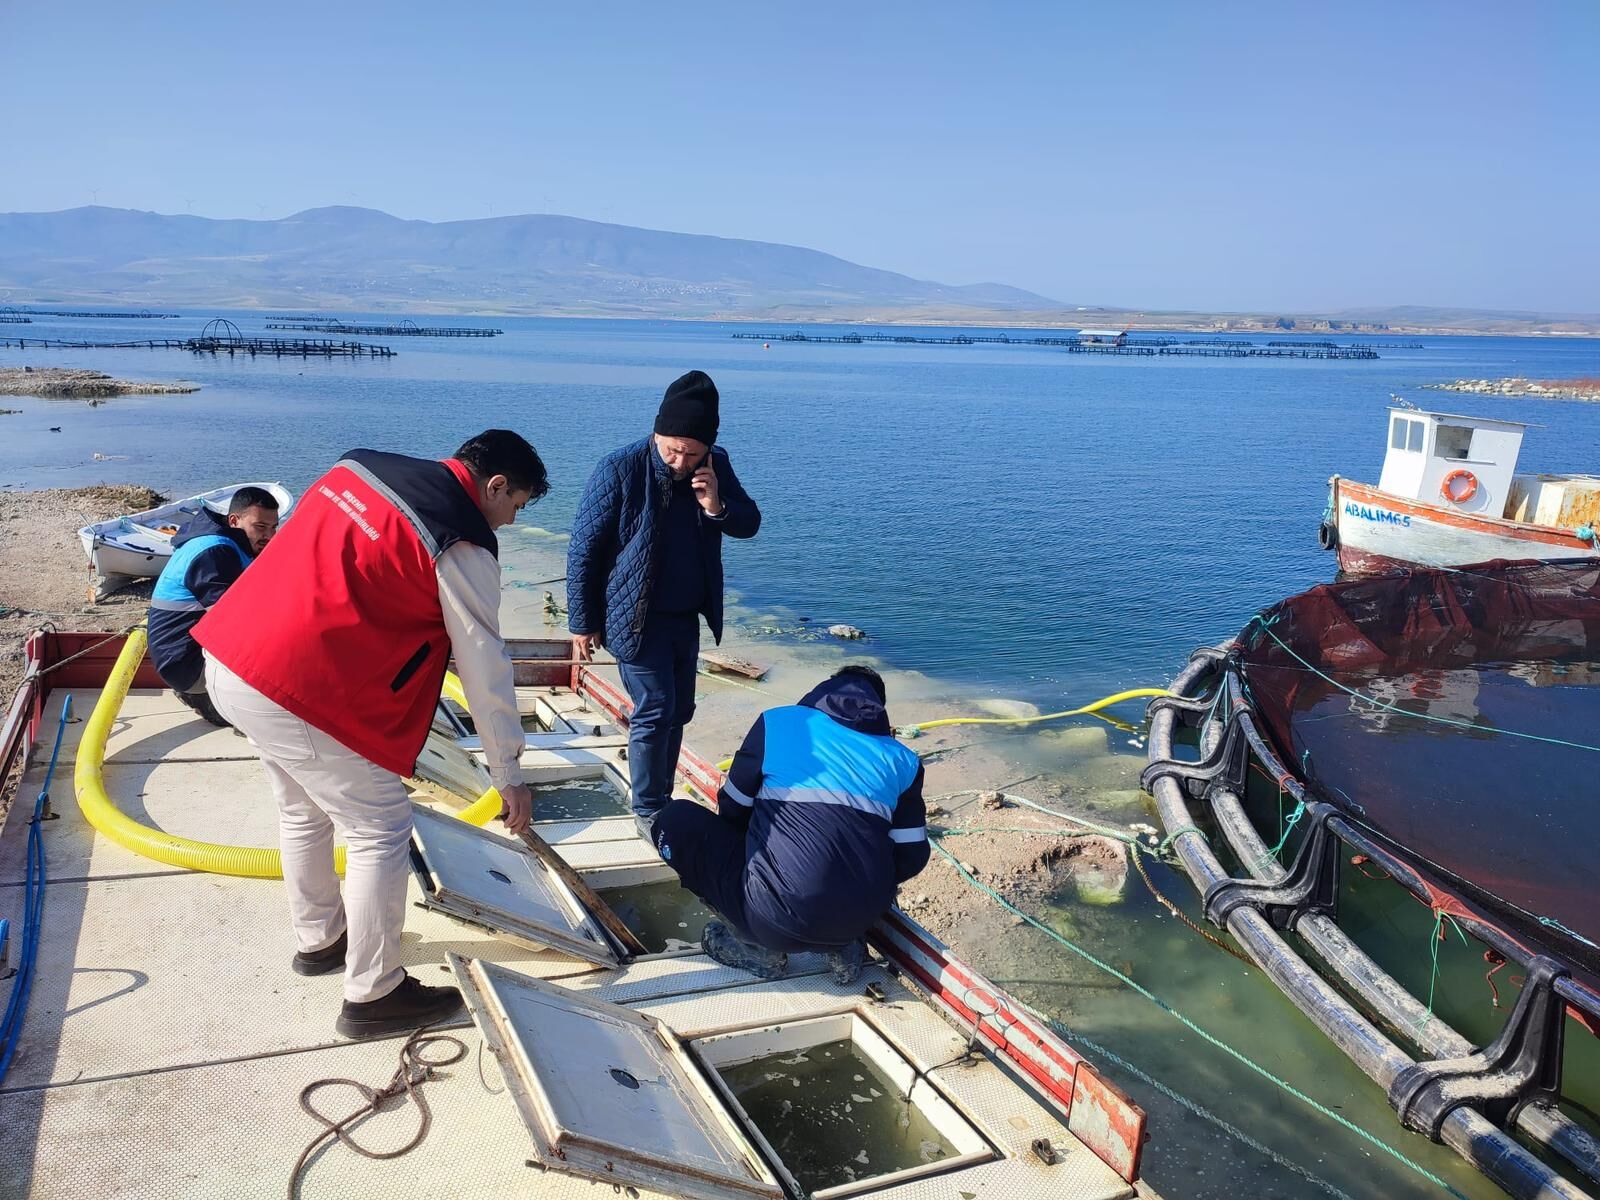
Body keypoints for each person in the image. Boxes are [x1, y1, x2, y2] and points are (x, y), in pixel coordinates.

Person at [193, 431, 547, 1038]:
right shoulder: (459, 538)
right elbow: (484, 665)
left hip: (231, 658)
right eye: (515, 505)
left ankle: (320, 940)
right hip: (296, 687)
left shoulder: (360, 469)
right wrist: (508, 774)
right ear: (494, 486)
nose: (512, 522)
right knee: (380, 829)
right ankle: (374, 994)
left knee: (303, 810)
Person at [567, 370, 760, 834]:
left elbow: (749, 523)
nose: (680, 461)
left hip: (685, 613)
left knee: (680, 711)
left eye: (691, 453)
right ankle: (648, 810)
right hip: (631, 614)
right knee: (655, 709)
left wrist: (715, 504)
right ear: (657, 434)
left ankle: (661, 795)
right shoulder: (620, 467)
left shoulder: (715, 464)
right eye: (672, 449)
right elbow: (584, 547)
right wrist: (582, 621)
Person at [651, 665, 929, 985]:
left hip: (771, 918)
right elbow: (912, 856)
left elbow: (733, 806)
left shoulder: (778, 723)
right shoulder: (905, 760)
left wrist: (766, 850)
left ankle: (757, 947)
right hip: (859, 919)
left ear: (825, 691)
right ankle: (842, 943)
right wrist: (850, 883)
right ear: (878, 707)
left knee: (675, 821)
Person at [147, 486, 280, 727]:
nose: (269, 536)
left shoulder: (225, 541)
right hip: (187, 667)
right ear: (234, 521)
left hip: (181, 657)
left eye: (274, 527)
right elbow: (233, 623)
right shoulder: (215, 552)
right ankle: (220, 703)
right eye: (260, 527)